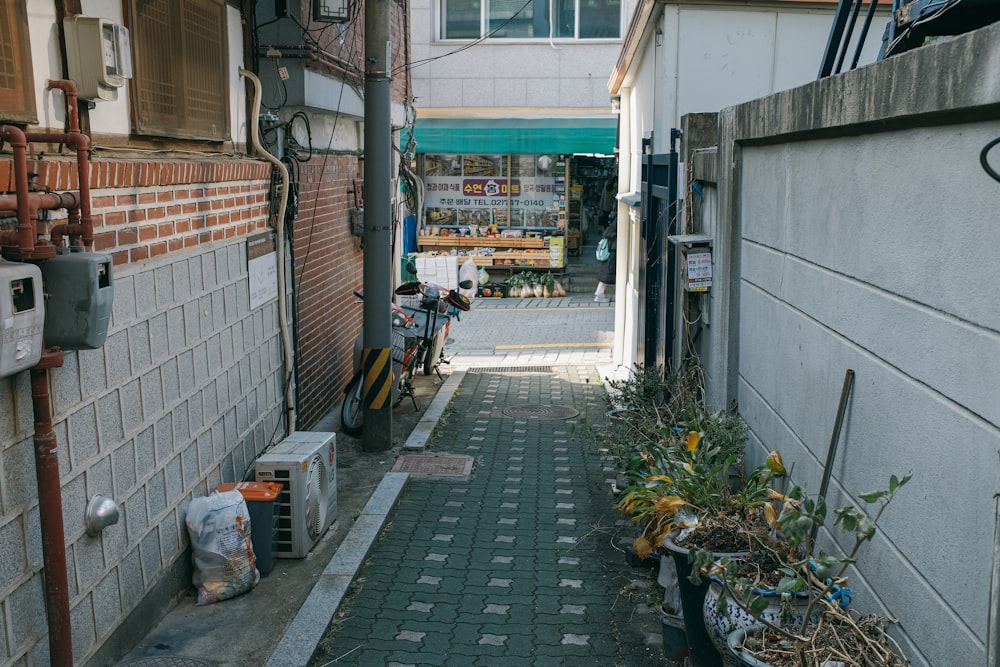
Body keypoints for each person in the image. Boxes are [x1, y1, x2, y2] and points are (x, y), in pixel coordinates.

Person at [594, 219, 616, 303]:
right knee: (606, 277)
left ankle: (599, 294)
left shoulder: (609, 231)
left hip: (609, 256)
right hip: (611, 257)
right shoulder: (615, 235)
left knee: (605, 276)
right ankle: (599, 295)